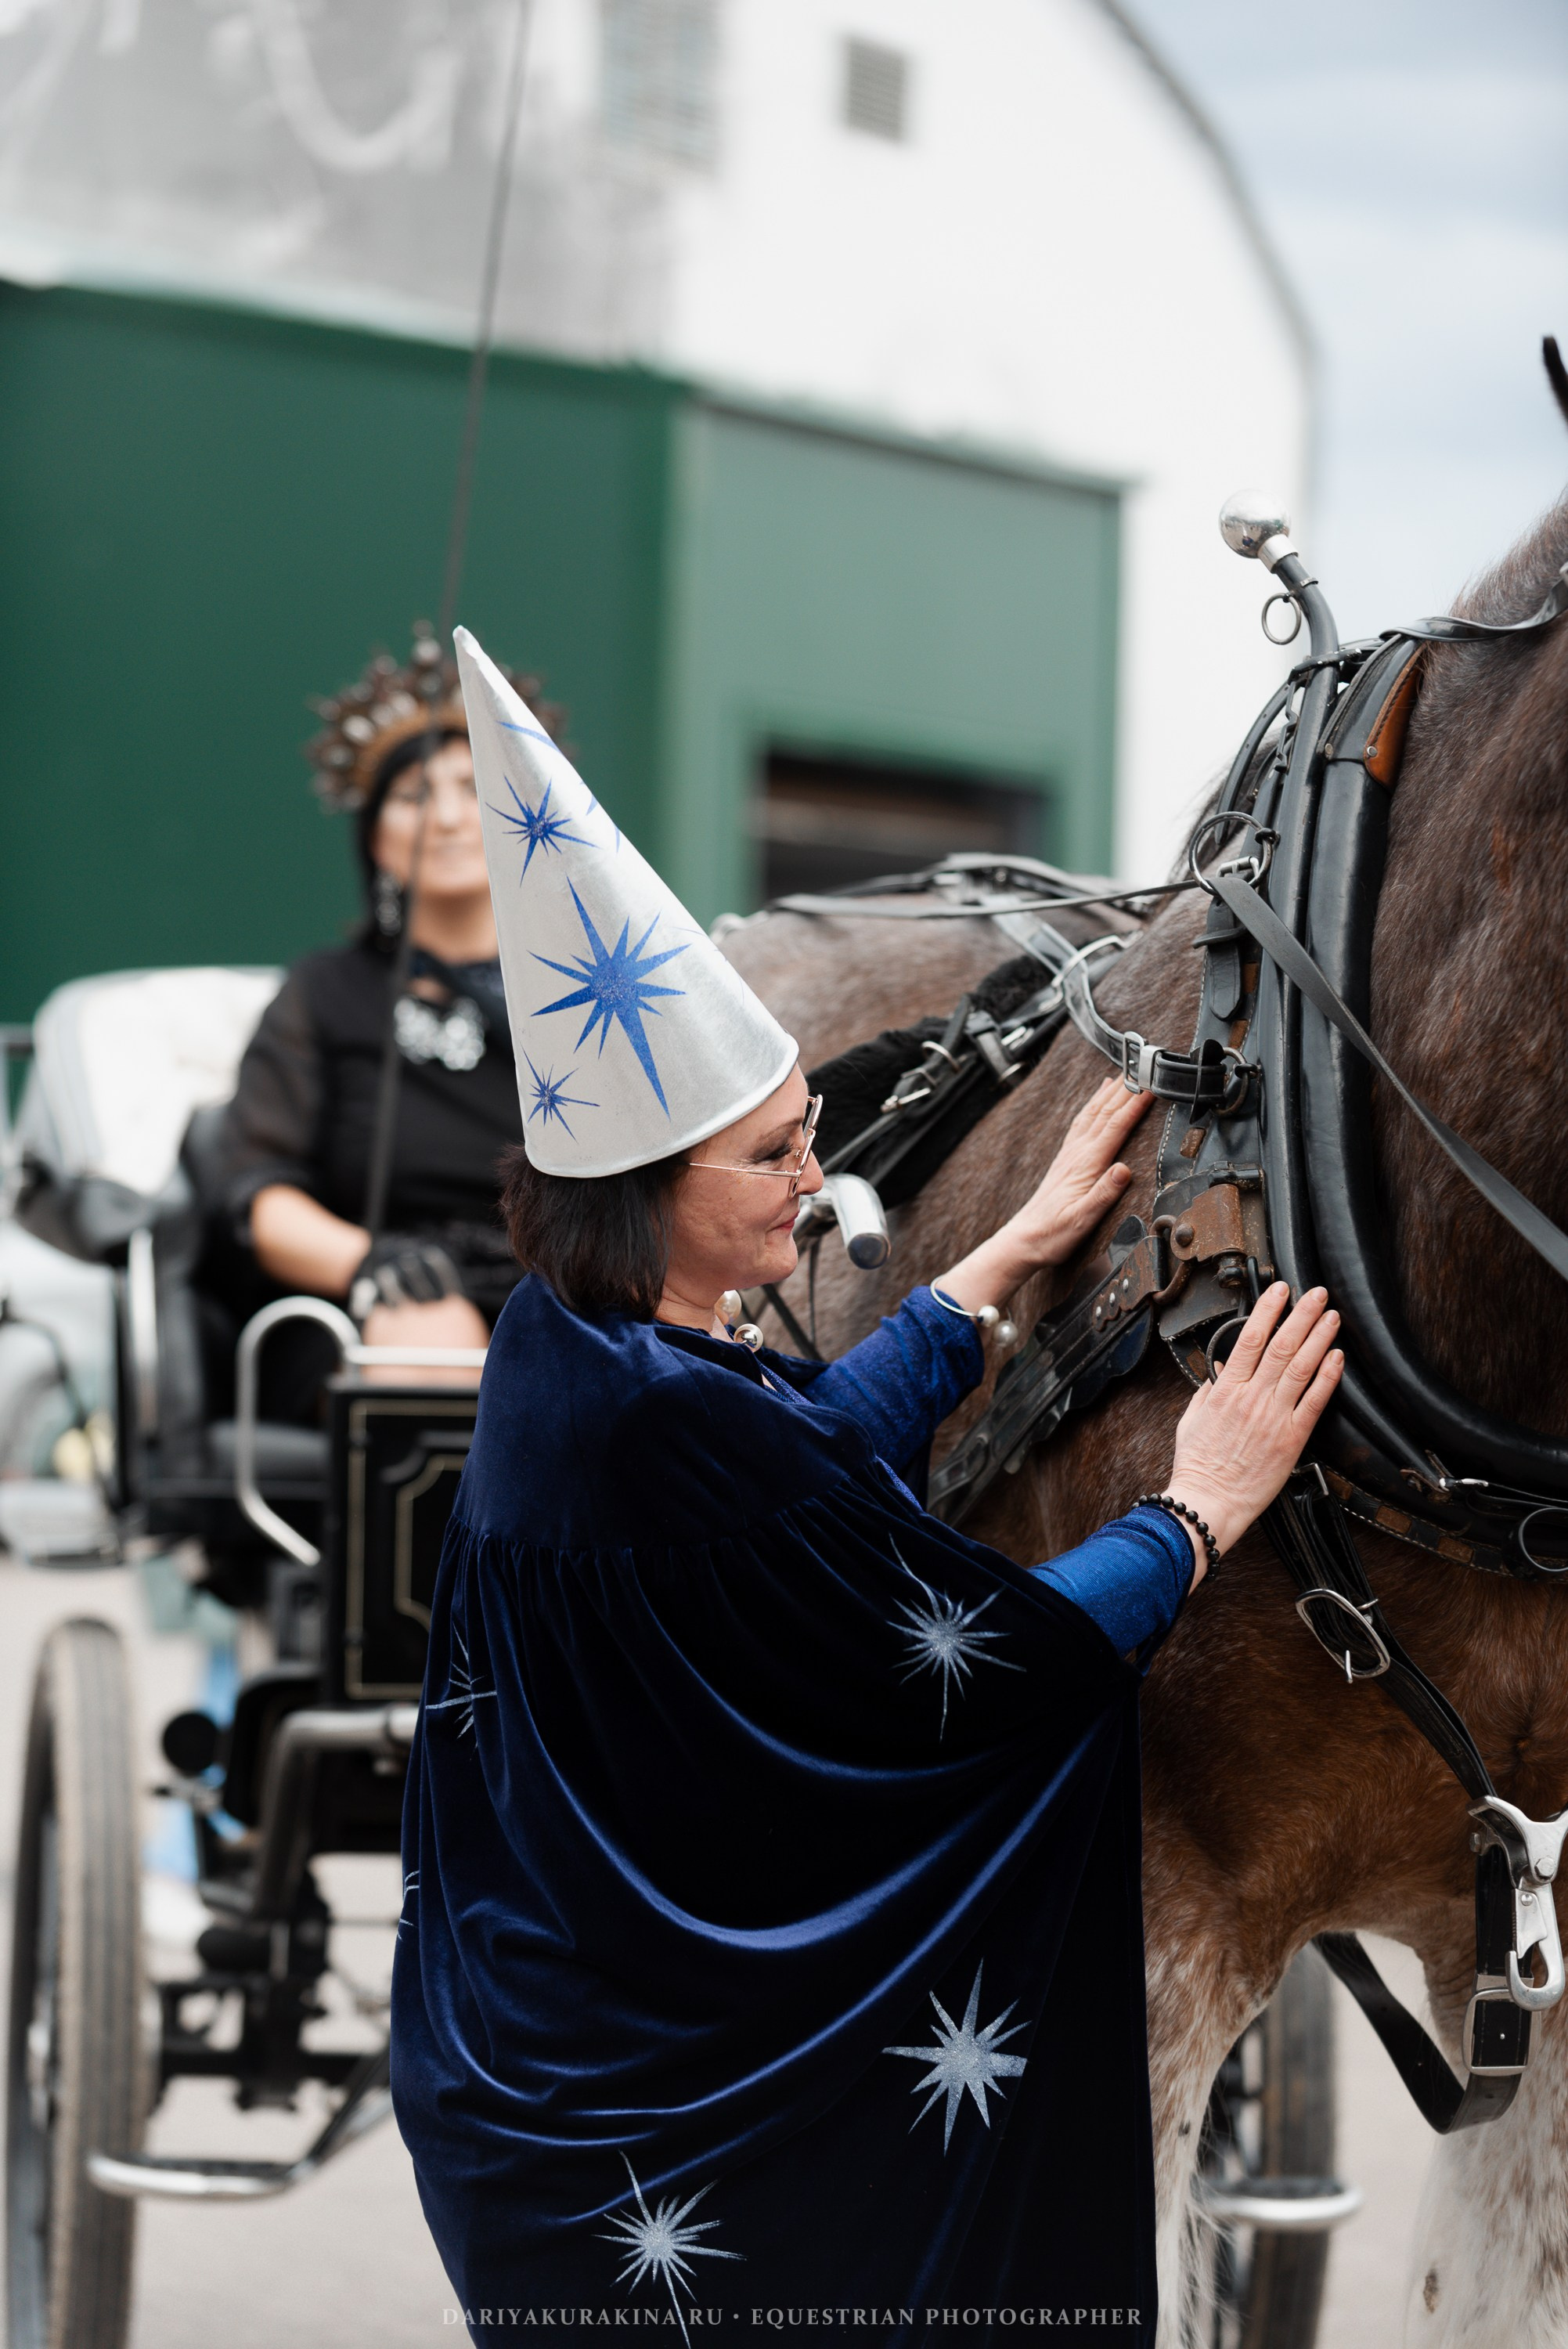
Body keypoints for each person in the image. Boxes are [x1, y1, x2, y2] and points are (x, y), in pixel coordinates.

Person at [390, 630, 1344, 2344]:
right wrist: (1192, 1508)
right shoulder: (671, 1423)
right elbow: (992, 1668)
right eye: (768, 1155)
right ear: (637, 1186)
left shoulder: (571, 1349)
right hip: (655, 2151)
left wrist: (1001, 1261)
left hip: (535, 2092)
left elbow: (796, 1466)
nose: (813, 1180)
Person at [214, 627, 564, 1398]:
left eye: (471, 788)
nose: (445, 818)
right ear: (374, 837)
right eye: (414, 795)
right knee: (430, 1344)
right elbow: (258, 1192)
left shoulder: (573, 993)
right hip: (378, 1306)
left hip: (556, 1295)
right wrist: (370, 1263)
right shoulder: (325, 994)